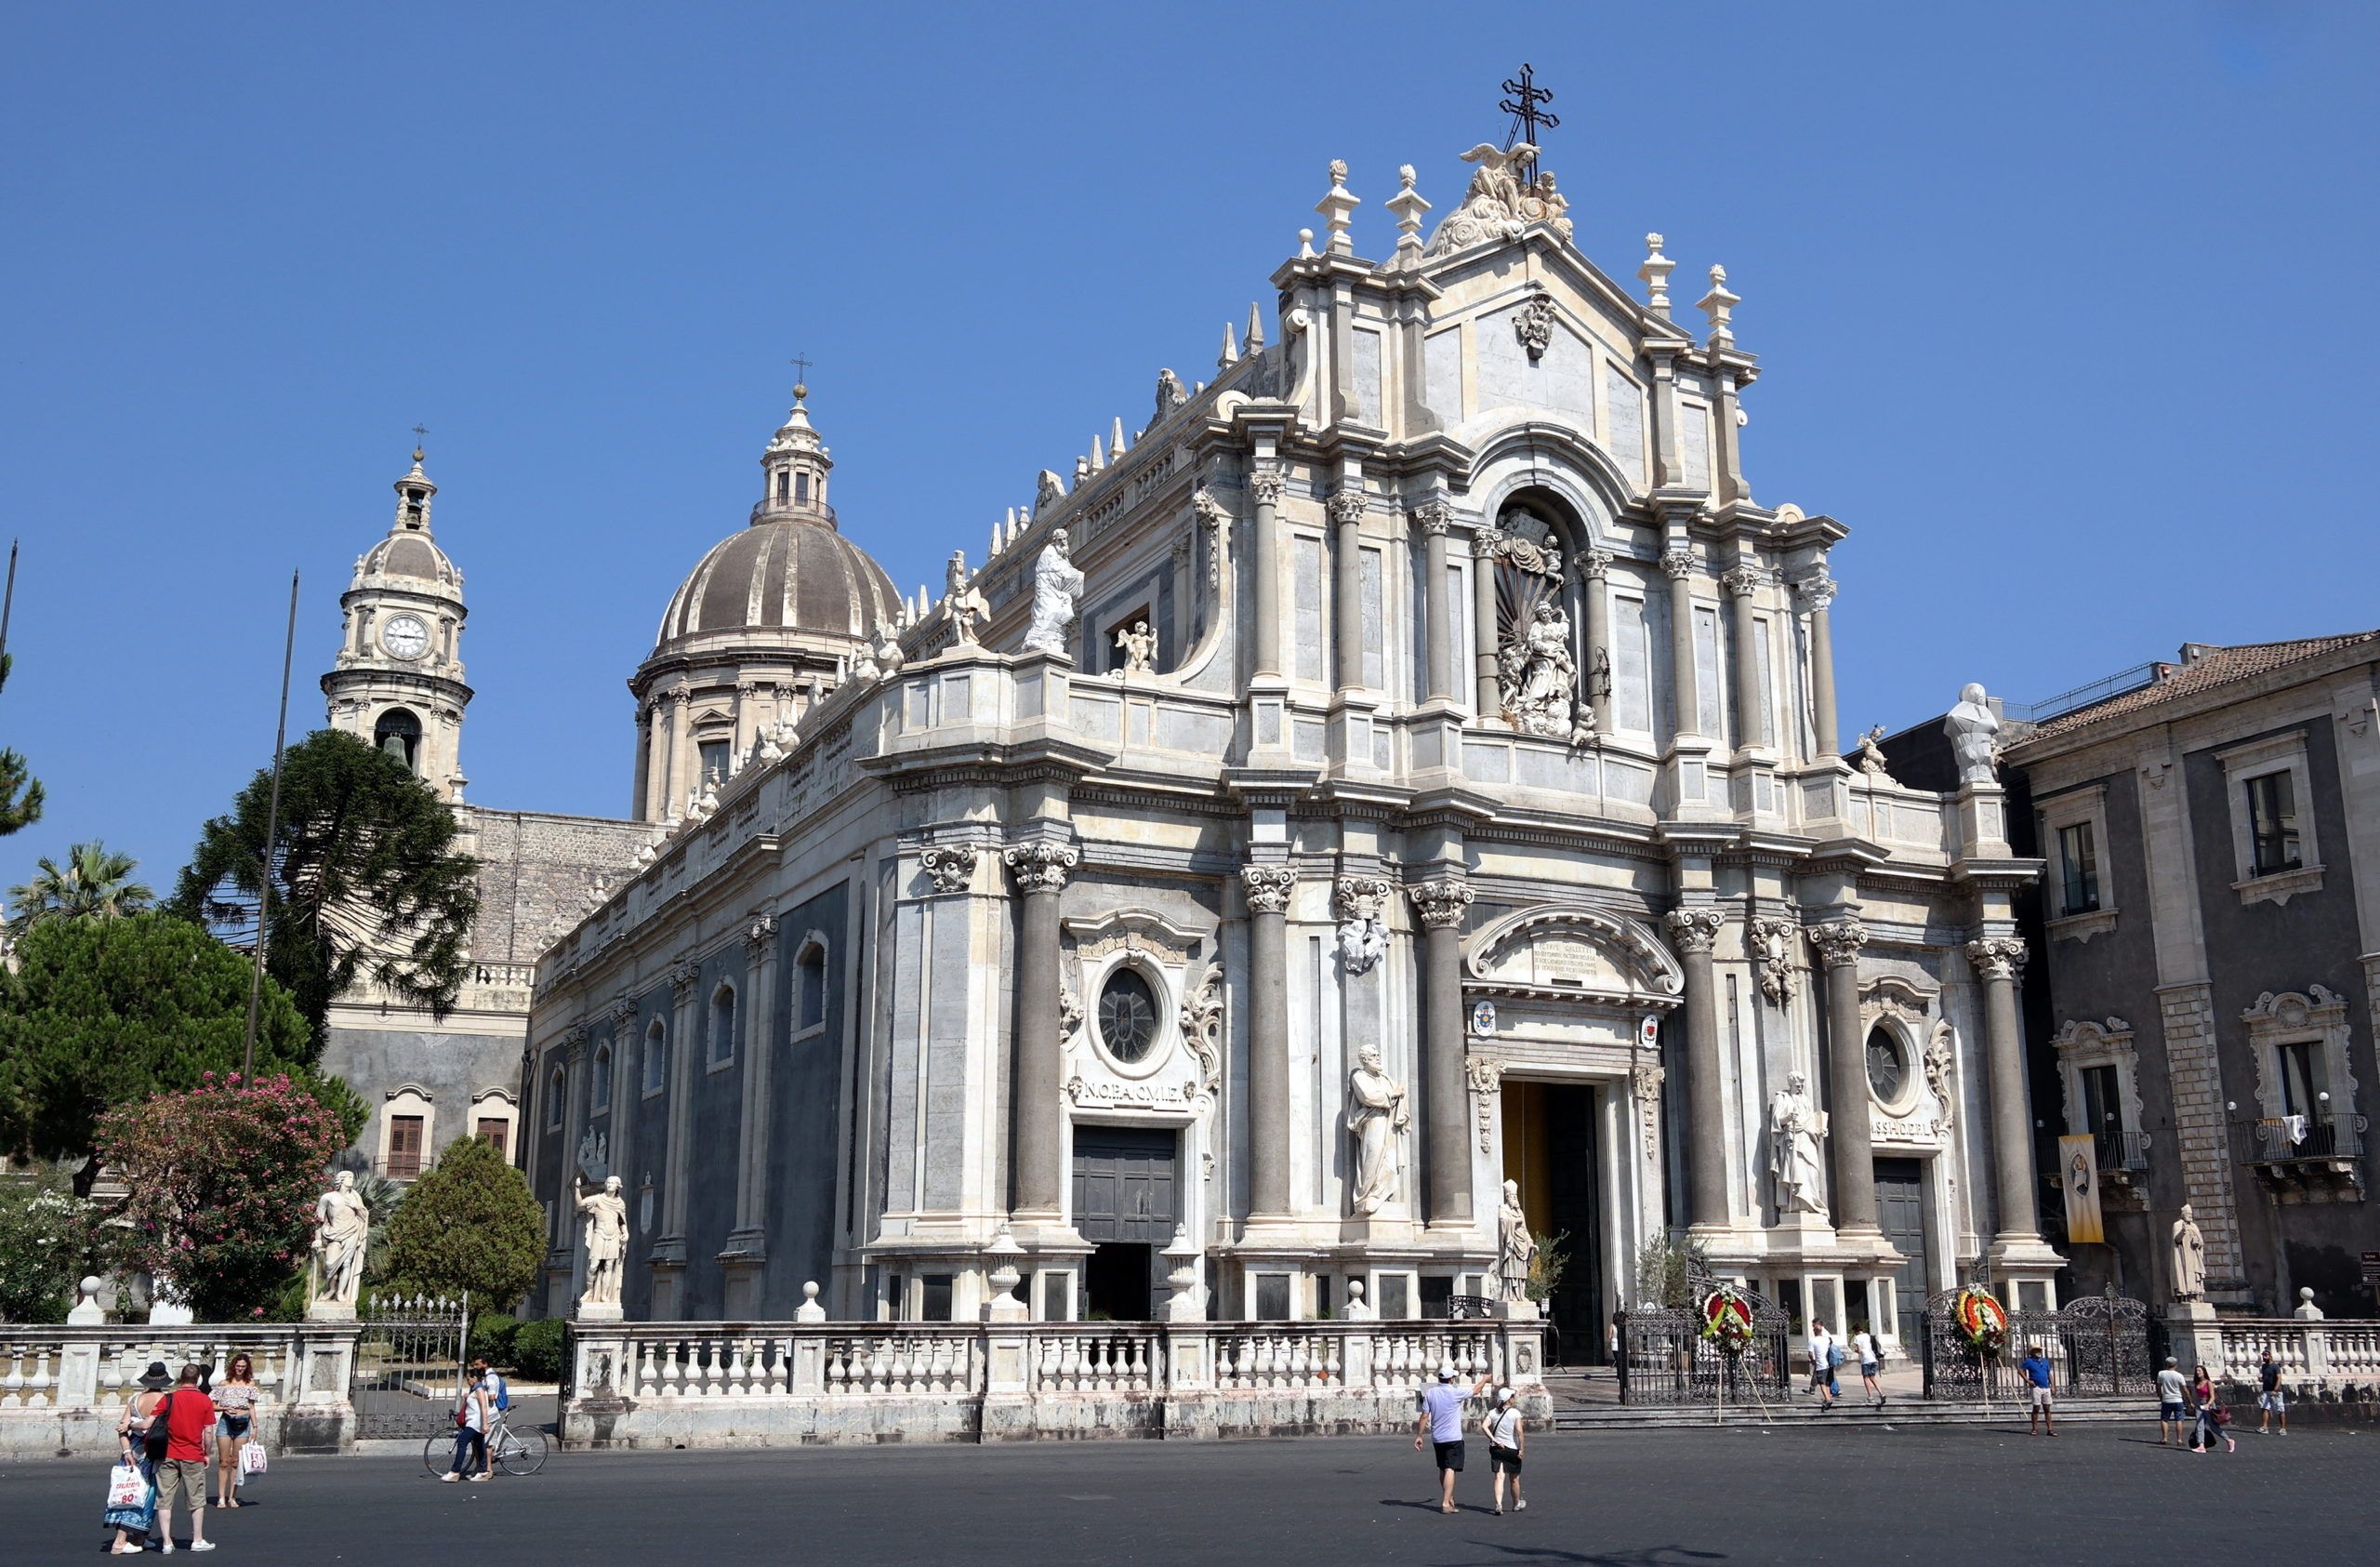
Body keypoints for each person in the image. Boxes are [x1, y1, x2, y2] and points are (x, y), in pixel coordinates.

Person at [105, 1362, 170, 1555]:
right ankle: (120, 1540)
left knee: (128, 1489)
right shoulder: (165, 1400)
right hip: (153, 1451)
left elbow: (122, 1428)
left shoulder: (135, 1399)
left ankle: (139, 1537)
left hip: (133, 1449)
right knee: (143, 1493)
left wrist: (127, 1452)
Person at [151, 1362, 217, 1551]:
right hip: (192, 1453)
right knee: (196, 1498)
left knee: (164, 1498)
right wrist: (206, 1453)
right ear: (198, 1379)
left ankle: (166, 1542)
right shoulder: (205, 1401)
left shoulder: (168, 1398)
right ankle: (197, 1538)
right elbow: (208, 1431)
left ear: (181, 1378)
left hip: (169, 1453)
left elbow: (153, 1421)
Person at [1412, 1363, 1491, 1515]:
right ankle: (1445, 1503)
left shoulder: (1431, 1393)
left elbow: (1424, 1416)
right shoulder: (1455, 1392)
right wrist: (1484, 1379)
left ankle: (1448, 1498)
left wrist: (1419, 1435)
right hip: (1453, 1437)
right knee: (1450, 1468)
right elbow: (1476, 1390)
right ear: (1451, 1379)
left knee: (1443, 1467)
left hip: (1437, 1437)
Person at [210, 1352, 260, 1507]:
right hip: (226, 1421)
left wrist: (255, 1427)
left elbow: (251, 1407)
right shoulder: (224, 1384)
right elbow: (212, 1405)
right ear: (233, 1367)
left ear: (247, 1368)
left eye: (243, 1367)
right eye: (238, 1366)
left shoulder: (250, 1385)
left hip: (243, 1423)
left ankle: (232, 1496)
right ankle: (221, 1497)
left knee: (236, 1462)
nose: (240, 1369)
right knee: (224, 1461)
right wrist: (225, 1408)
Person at [1482, 1386, 1527, 1516]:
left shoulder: (1493, 1412)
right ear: (1508, 1400)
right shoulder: (1515, 1413)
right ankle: (1516, 1503)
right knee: (1514, 1478)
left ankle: (1499, 1504)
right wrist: (1522, 1448)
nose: (1514, 1398)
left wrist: (1494, 1440)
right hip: (1512, 1448)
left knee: (1499, 1477)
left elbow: (1484, 1426)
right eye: (1512, 1397)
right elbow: (1519, 1431)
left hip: (1497, 1448)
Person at [443, 1366, 493, 1482]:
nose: (467, 1381)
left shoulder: (479, 1390)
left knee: (462, 1442)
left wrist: (485, 1424)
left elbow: (484, 1407)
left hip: (475, 1423)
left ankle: (455, 1471)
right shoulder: (475, 1389)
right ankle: (483, 1471)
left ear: (475, 1378)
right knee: (479, 1445)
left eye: (468, 1378)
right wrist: (468, 1397)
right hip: (475, 1422)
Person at [2188, 1362, 2233, 1454]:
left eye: (2199, 1371)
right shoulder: (2196, 1383)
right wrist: (2193, 1403)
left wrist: (2208, 1404)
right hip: (2199, 1405)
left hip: (2208, 1404)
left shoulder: (2208, 1383)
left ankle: (2229, 1440)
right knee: (2199, 1426)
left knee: (2213, 1426)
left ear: (2204, 1372)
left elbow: (2212, 1396)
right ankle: (2201, 1446)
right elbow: (2197, 1396)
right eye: (2196, 1371)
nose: (2197, 1372)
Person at [2019, 1342, 2056, 1437]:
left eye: (2039, 1350)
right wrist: (2028, 1380)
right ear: (2032, 1352)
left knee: (2047, 1408)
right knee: (2036, 1408)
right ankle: (2035, 1428)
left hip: (2046, 1387)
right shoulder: (2029, 1361)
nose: (2039, 1352)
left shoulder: (2045, 1361)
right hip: (2036, 1387)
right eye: (2036, 1350)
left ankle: (2050, 1429)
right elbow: (2020, 1370)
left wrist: (2053, 1386)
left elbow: (2049, 1374)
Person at [2156, 1356, 2188, 1447]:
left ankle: (2165, 1438)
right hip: (2178, 1399)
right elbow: (2185, 1389)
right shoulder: (2179, 1375)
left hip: (2166, 1399)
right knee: (2179, 1420)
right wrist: (2189, 1399)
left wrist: (2160, 1395)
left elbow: (2158, 1386)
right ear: (2175, 1365)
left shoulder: (2161, 1374)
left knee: (2164, 1419)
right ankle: (2179, 1440)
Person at [1850, 1324, 1886, 1407]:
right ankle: (1881, 1393)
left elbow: (1860, 1351)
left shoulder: (1857, 1338)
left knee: (1866, 1378)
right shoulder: (1868, 1335)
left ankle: (1870, 1396)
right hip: (1873, 1358)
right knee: (1872, 1377)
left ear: (1855, 1331)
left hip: (1866, 1360)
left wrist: (1855, 1350)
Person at [1806, 1320, 1838, 1412]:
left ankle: (1827, 1400)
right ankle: (1828, 1398)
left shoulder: (1812, 1340)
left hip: (1820, 1364)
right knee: (1827, 1382)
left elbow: (1810, 1354)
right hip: (1828, 1364)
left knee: (1822, 1383)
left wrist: (1813, 1361)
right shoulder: (1827, 1339)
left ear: (1815, 1331)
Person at [2256, 1350, 2288, 1435]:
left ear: (2270, 1356)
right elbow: (2265, 1378)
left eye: (2266, 1355)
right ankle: (2265, 1427)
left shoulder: (2275, 1366)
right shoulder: (2263, 1367)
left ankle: (2283, 1428)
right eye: (2263, 1355)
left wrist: (2275, 1390)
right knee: (2264, 1407)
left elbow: (2279, 1378)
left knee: (2280, 1409)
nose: (2264, 1357)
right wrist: (2261, 1379)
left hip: (2275, 1391)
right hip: (2266, 1390)